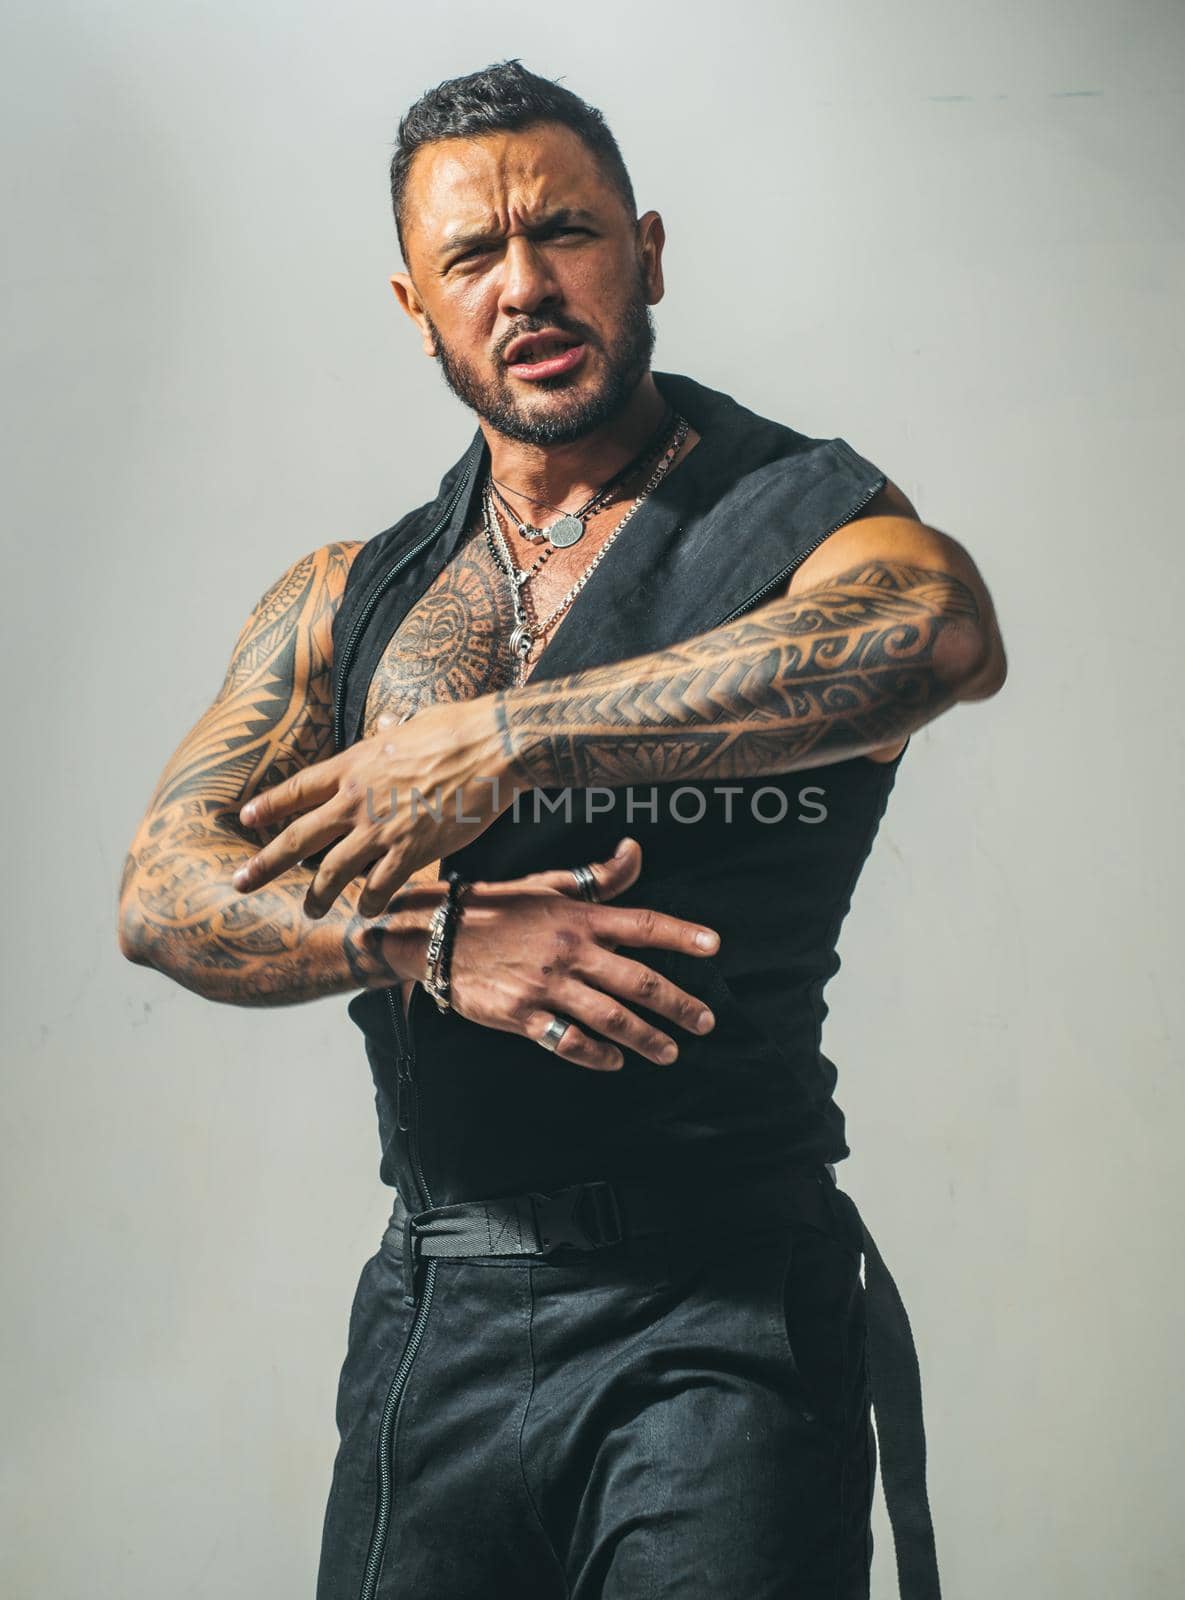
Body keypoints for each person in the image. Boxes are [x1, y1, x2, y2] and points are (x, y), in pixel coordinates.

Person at [118, 58, 1006, 1600]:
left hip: (719, 1309)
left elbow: (934, 636)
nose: (524, 283)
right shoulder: (351, 596)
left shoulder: (794, 511)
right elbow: (164, 888)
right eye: (472, 255)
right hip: (435, 1315)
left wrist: (512, 737)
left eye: (566, 234)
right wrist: (420, 939)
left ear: (644, 253)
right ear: (416, 306)